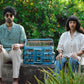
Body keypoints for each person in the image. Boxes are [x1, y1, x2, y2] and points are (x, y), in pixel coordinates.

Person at [0, 6, 26, 84]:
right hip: (4, 53)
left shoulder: (20, 28)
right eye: (7, 15)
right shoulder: (0, 28)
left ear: (13, 16)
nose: (9, 17)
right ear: (4, 16)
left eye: (11, 15)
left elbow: (25, 43)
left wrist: (19, 45)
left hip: (14, 52)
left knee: (16, 50)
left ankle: (15, 79)